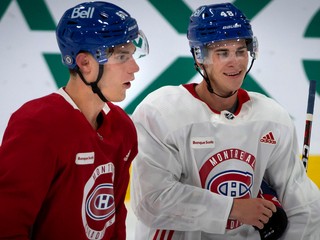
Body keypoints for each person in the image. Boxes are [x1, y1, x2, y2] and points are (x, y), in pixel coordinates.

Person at [130, 3, 320, 240]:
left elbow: (304, 206)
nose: (235, 62)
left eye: (241, 51)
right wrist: (234, 208)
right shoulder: (160, 111)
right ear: (199, 57)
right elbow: (153, 201)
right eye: (223, 53)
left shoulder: (272, 117)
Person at [0, 1, 148, 239]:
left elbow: (115, 219)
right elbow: (7, 226)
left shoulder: (123, 127)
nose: (135, 67)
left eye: (131, 54)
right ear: (85, 63)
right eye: (122, 56)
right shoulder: (36, 124)